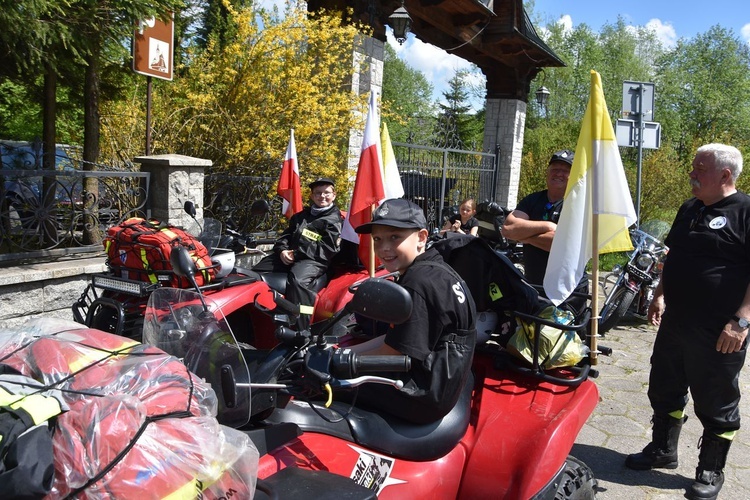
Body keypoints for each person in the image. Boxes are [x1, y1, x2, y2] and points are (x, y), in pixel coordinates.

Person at [624, 144, 749, 500]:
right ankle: (663, 449)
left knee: (716, 400)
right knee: (664, 385)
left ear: (725, 175)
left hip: (720, 329)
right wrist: (660, 294)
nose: (691, 173)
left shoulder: (745, 211)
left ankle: (711, 469)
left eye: (700, 167)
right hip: (676, 320)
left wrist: (741, 321)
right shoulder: (690, 208)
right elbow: (675, 254)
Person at [349, 198, 476, 424]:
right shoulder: (436, 269)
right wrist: (342, 351)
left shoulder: (418, 284)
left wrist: (340, 361)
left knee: (329, 385)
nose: (383, 248)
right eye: (377, 239)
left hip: (420, 396)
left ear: (421, 237)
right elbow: (394, 341)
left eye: (394, 237)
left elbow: (396, 352)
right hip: (438, 383)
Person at [501, 150, 588, 312]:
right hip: (535, 285)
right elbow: (507, 229)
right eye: (555, 169)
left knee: (564, 335)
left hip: (568, 290)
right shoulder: (532, 200)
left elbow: (561, 244)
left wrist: (524, 236)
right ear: (547, 173)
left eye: (565, 170)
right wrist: (547, 227)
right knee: (533, 334)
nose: (559, 174)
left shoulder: (576, 204)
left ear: (573, 175)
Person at [253, 177, 343, 328]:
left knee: (297, 281)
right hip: (288, 255)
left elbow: (327, 248)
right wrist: (282, 250)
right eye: (318, 193)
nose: (322, 196)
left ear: (334, 195)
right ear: (312, 196)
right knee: (253, 272)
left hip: (315, 260)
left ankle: (301, 326)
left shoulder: (334, 221)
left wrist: (296, 253)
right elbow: (285, 236)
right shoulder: (300, 216)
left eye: (326, 193)